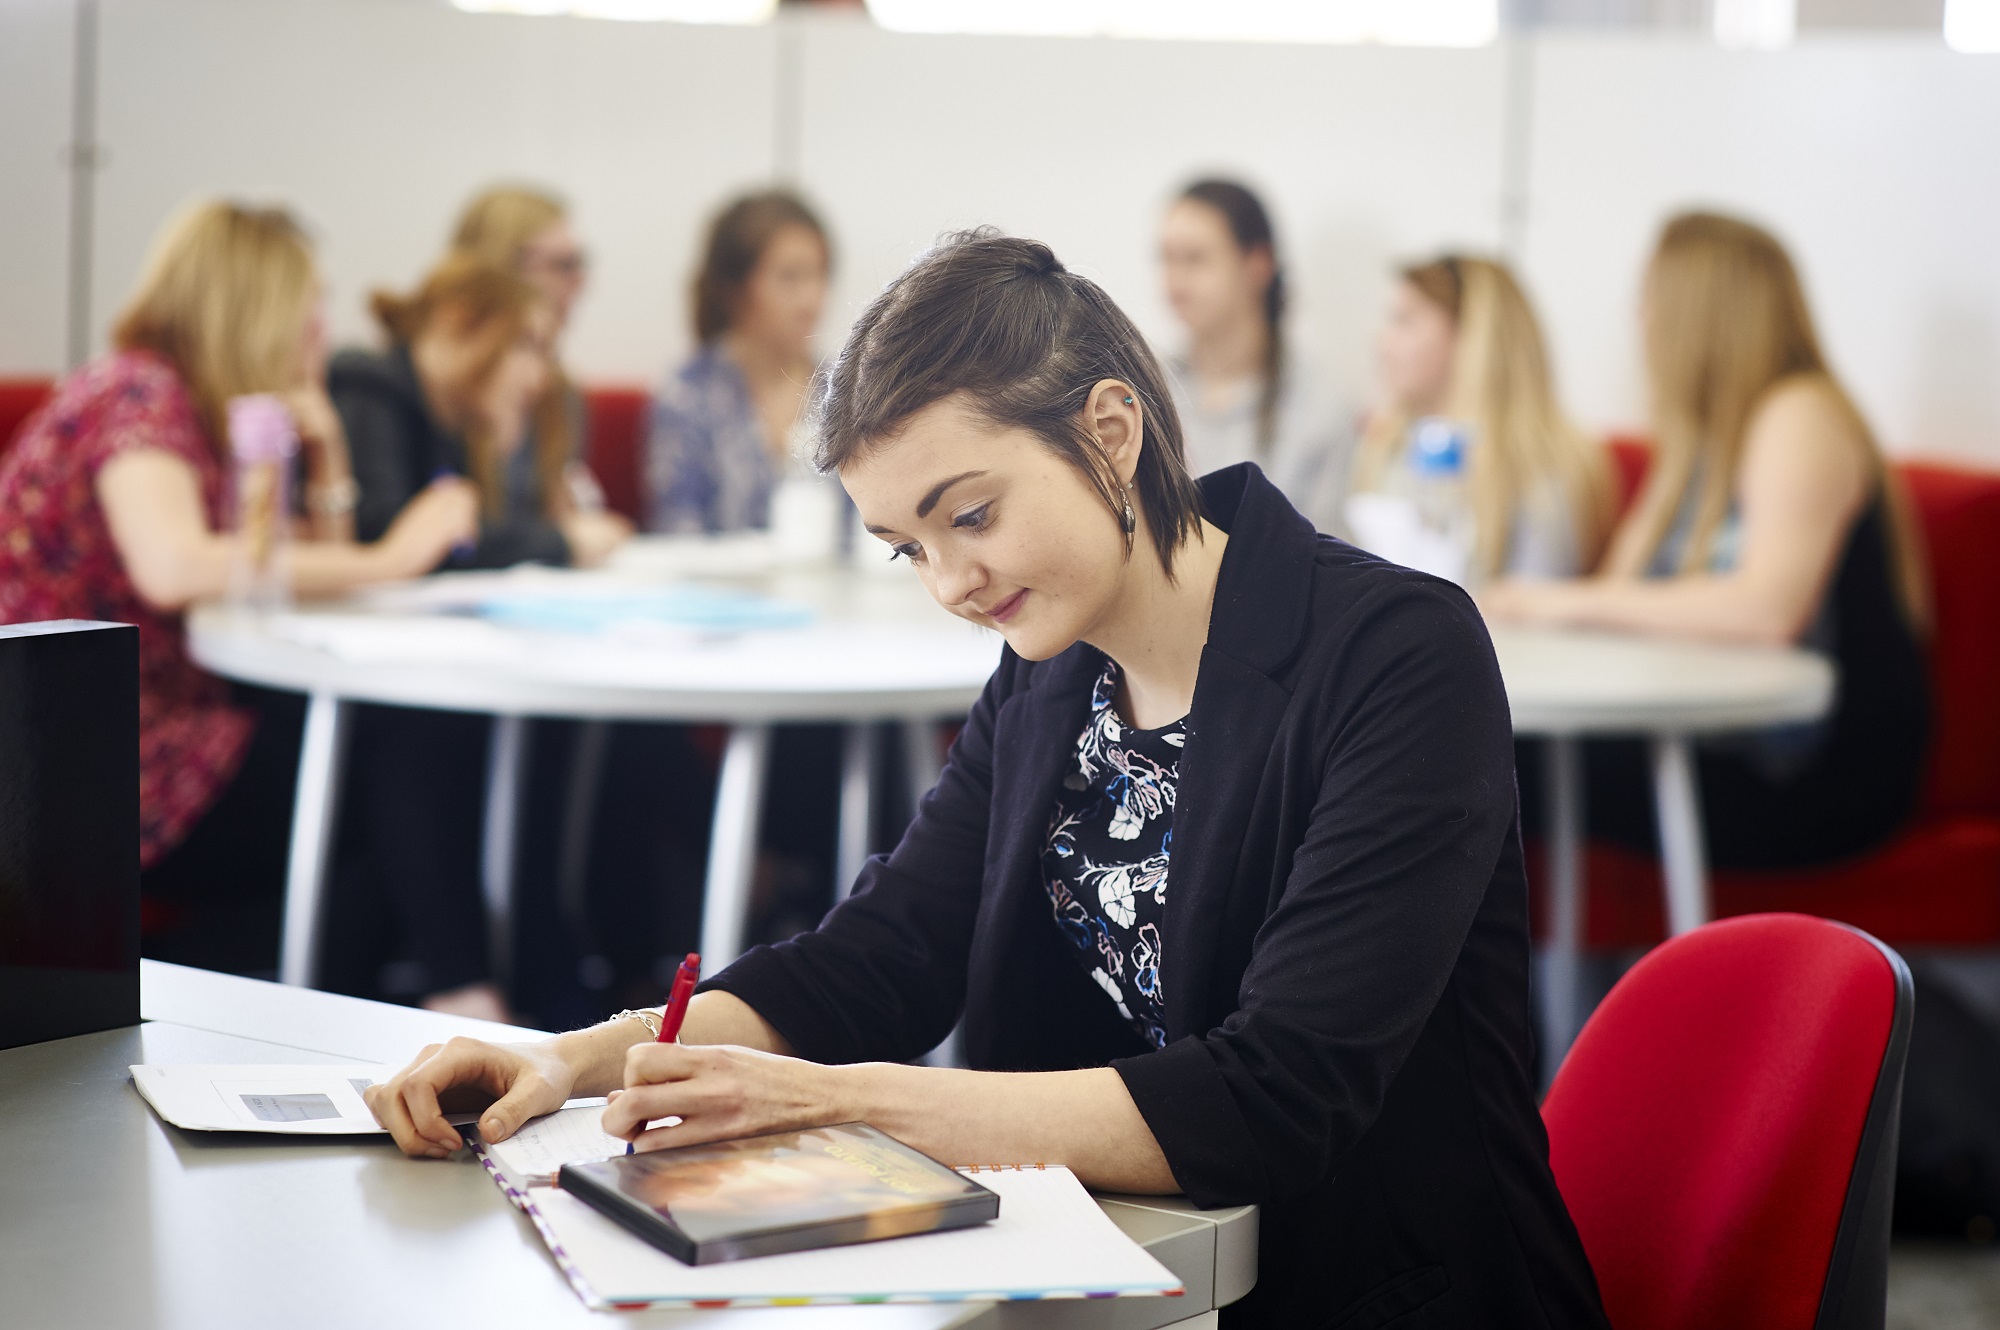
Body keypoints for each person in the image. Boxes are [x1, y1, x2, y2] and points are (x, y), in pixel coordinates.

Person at [366, 231, 1609, 1328]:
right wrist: (580, 1060)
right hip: (1131, 1284)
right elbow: (882, 955)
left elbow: (1276, 1095)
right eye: (910, 545)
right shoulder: (1053, 666)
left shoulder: (1395, 655)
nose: (949, 581)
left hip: (1377, 1294)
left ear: (1109, 434)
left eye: (969, 515)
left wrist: (820, 1104)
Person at [0, 200, 476, 971]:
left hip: (141, 734)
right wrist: (393, 557)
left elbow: (292, 581)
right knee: (404, 757)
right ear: (252, 307)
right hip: (96, 763)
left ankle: (394, 995)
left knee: (398, 777)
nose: (320, 326)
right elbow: (176, 566)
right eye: (308, 304)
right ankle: (460, 990)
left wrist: (329, 462)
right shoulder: (136, 394)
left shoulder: (206, 410)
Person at [1486, 211, 1931, 869]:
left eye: (1651, 297)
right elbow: (1621, 591)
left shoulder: (1798, 414)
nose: (1639, 319)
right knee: (1480, 757)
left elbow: (1767, 612)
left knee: (1480, 768)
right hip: (1728, 746)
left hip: (1811, 776)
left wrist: (1558, 602)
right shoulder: (1704, 440)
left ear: (1699, 314)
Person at [333, 253, 623, 569]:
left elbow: (464, 531)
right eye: (524, 345)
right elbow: (396, 537)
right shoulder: (369, 388)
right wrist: (561, 542)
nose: (537, 378)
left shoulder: (452, 421)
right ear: (458, 320)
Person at [1350, 254, 1611, 581]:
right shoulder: (1383, 448)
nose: (1382, 341)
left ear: (1472, 335)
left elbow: (1536, 608)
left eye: (1405, 320)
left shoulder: (1543, 475)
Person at [1159, 178, 1354, 533]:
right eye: (1167, 259)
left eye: (1195, 259)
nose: (1174, 282)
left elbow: (1331, 561)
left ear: (1257, 265)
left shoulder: (1320, 408)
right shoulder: (1144, 389)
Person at [448, 184, 630, 561]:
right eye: (563, 265)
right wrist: (562, 542)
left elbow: (557, 521)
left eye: (582, 262)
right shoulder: (443, 384)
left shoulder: (561, 394)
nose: (581, 282)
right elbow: (444, 537)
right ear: (499, 273)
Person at [646, 189, 832, 534]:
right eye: (790, 277)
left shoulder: (847, 391)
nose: (812, 298)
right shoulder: (688, 392)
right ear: (736, 288)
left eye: (820, 275)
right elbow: (677, 529)